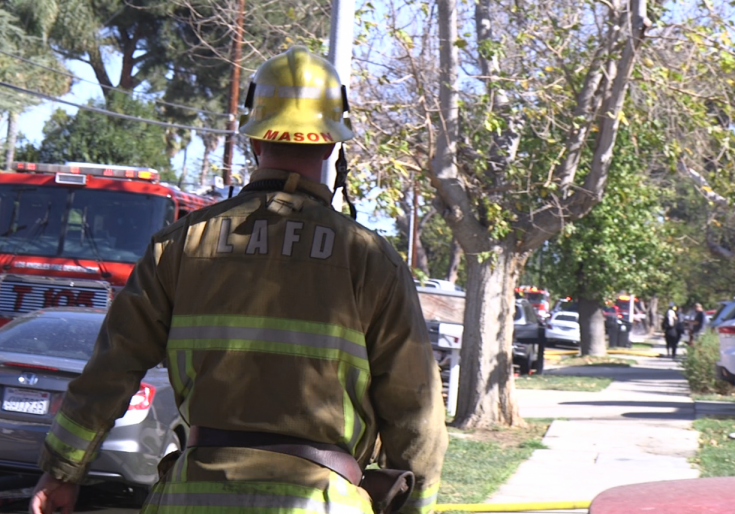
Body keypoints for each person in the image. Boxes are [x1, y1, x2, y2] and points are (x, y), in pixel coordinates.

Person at [31, 46, 449, 514]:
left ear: (254, 140)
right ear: (332, 143)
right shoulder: (372, 261)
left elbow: (111, 369)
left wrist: (62, 471)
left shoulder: (179, 246)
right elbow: (416, 413)